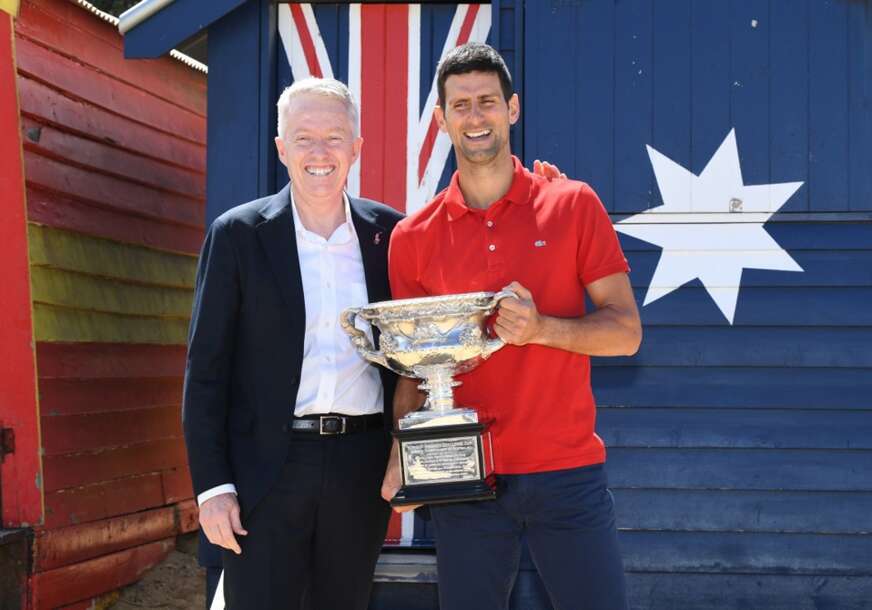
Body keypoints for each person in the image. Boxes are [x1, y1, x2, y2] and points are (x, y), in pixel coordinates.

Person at [382, 42, 642, 610]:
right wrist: (402, 453)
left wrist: (542, 328)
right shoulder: (412, 237)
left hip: (567, 472)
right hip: (463, 475)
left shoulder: (572, 204)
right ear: (441, 119)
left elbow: (626, 333)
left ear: (513, 109)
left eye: (488, 101)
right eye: (461, 105)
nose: (475, 117)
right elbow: (412, 369)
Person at [183, 77, 402, 610]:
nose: (319, 152)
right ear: (282, 148)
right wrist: (213, 488)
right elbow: (205, 371)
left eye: (334, 137)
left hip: (360, 470)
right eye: (304, 138)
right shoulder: (237, 235)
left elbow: (410, 363)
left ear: (356, 147)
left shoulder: (391, 236)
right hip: (264, 473)